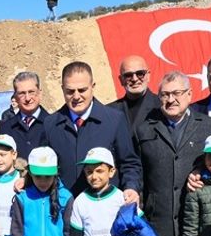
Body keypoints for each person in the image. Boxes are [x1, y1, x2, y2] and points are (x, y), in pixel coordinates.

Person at [135, 71, 211, 236]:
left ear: (190, 94)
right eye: (164, 95)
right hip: (158, 221)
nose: (170, 99)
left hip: (196, 223)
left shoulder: (210, 127)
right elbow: (136, 168)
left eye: (176, 93)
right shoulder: (144, 129)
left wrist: (203, 170)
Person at [43, 61, 142, 199]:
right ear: (62, 89)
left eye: (82, 90)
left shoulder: (114, 120)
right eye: (70, 91)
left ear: (92, 87)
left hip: (105, 209)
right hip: (64, 210)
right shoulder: (50, 124)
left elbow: (129, 163)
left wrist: (131, 187)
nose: (76, 96)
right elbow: (43, 166)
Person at [0, 72, 50, 160]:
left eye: (31, 92)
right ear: (15, 97)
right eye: (22, 93)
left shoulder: (55, 125)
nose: (27, 98)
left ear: (40, 93)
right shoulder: (6, 128)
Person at [107, 55, 162, 132]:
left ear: (148, 75)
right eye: (128, 75)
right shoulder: (108, 112)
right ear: (121, 80)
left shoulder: (162, 106)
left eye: (140, 73)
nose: (134, 79)